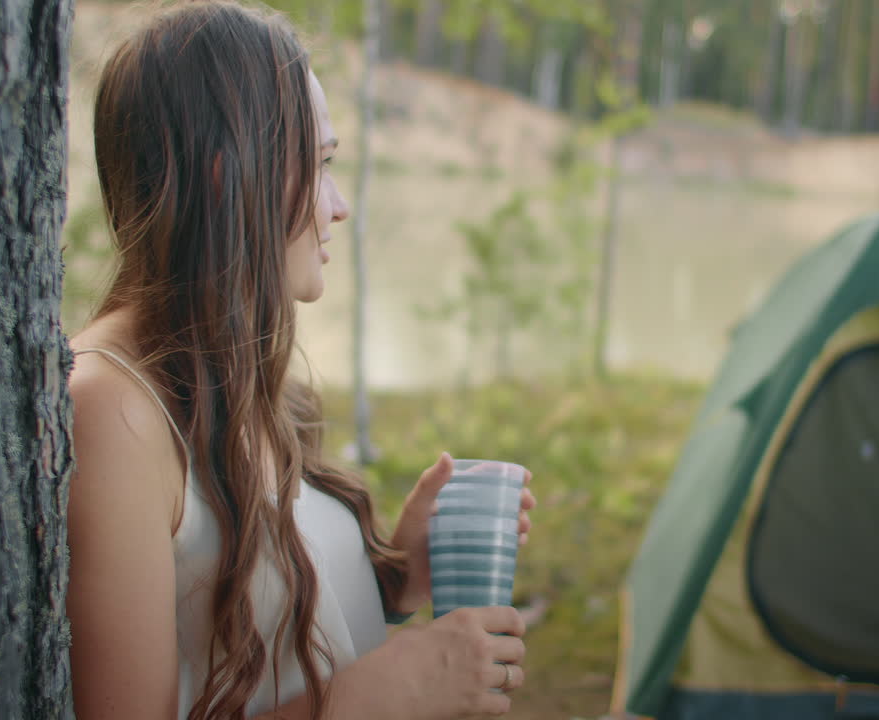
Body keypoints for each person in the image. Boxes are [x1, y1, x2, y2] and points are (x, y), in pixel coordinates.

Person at [65, 3, 536, 718]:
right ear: (232, 177)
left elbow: (256, 626)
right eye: (320, 165)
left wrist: (400, 576)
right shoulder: (110, 409)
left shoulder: (224, 371)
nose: (337, 205)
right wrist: (382, 695)